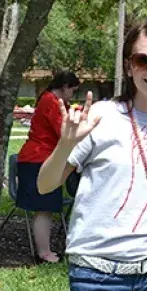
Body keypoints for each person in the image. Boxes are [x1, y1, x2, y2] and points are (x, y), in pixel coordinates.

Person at [37, 19, 147, 290]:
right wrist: (65, 145)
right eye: (143, 60)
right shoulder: (101, 116)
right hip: (98, 274)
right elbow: (45, 184)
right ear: (129, 67)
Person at [16, 70, 80, 263]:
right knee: (43, 208)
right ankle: (44, 253)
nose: (72, 96)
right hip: (38, 159)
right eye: (73, 91)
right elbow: (64, 132)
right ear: (65, 86)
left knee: (46, 208)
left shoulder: (50, 100)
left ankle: (45, 250)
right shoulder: (51, 102)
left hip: (40, 158)